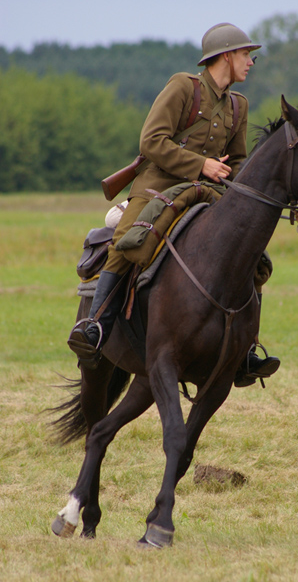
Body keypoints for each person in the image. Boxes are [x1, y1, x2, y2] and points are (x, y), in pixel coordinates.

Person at [68, 22, 280, 386]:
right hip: (158, 187)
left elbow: (240, 161)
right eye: (246, 55)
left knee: (252, 256)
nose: (250, 63)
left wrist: (239, 187)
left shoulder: (238, 105)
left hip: (211, 193)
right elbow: (151, 142)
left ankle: (245, 348)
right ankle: (96, 327)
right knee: (127, 241)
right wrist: (201, 164)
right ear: (226, 56)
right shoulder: (184, 87)